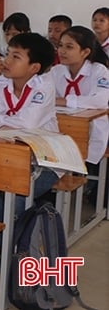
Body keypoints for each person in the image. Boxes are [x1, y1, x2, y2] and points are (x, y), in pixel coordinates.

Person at [0, 32, 58, 263]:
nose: (6, 61)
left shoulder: (44, 87)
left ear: (34, 67)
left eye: (16, 56)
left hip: (45, 161)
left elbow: (26, 126)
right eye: (8, 53)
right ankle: (21, 233)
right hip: (4, 155)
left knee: (18, 199)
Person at [50, 26, 109, 203]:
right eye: (60, 46)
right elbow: (45, 97)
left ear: (85, 52)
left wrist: (65, 100)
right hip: (61, 129)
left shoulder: (99, 71)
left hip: (92, 129)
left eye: (69, 47)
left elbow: (100, 101)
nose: (62, 51)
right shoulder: (56, 71)